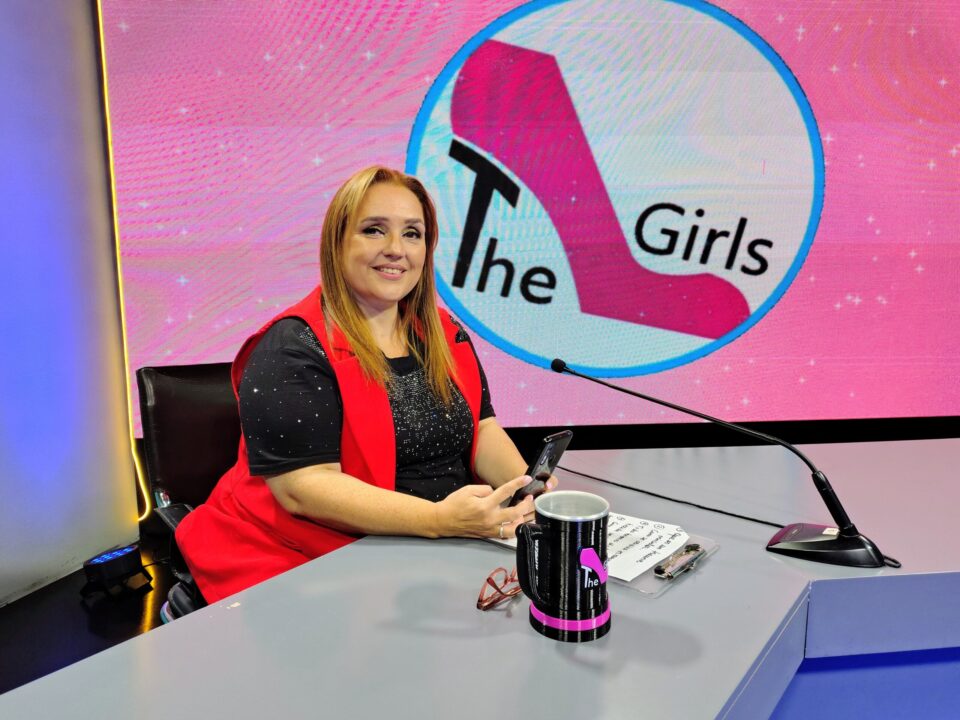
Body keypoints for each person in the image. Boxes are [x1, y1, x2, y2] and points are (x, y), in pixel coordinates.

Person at [175, 166, 554, 603]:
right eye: (374, 230)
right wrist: (439, 520)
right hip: (314, 558)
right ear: (337, 243)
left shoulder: (444, 332)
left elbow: (482, 427)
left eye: (412, 234)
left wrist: (525, 494)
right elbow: (303, 489)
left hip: (444, 545)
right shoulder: (291, 347)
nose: (396, 249)